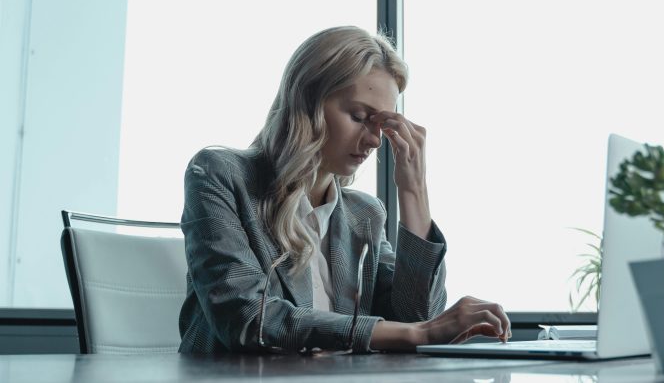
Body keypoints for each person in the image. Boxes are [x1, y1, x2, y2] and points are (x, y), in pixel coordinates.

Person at [178, 26, 510, 354]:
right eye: (359, 116)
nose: (374, 140)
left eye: (381, 124)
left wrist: (414, 193)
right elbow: (247, 319)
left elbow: (417, 320)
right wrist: (417, 333)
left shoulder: (364, 214)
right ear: (306, 103)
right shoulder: (218, 174)